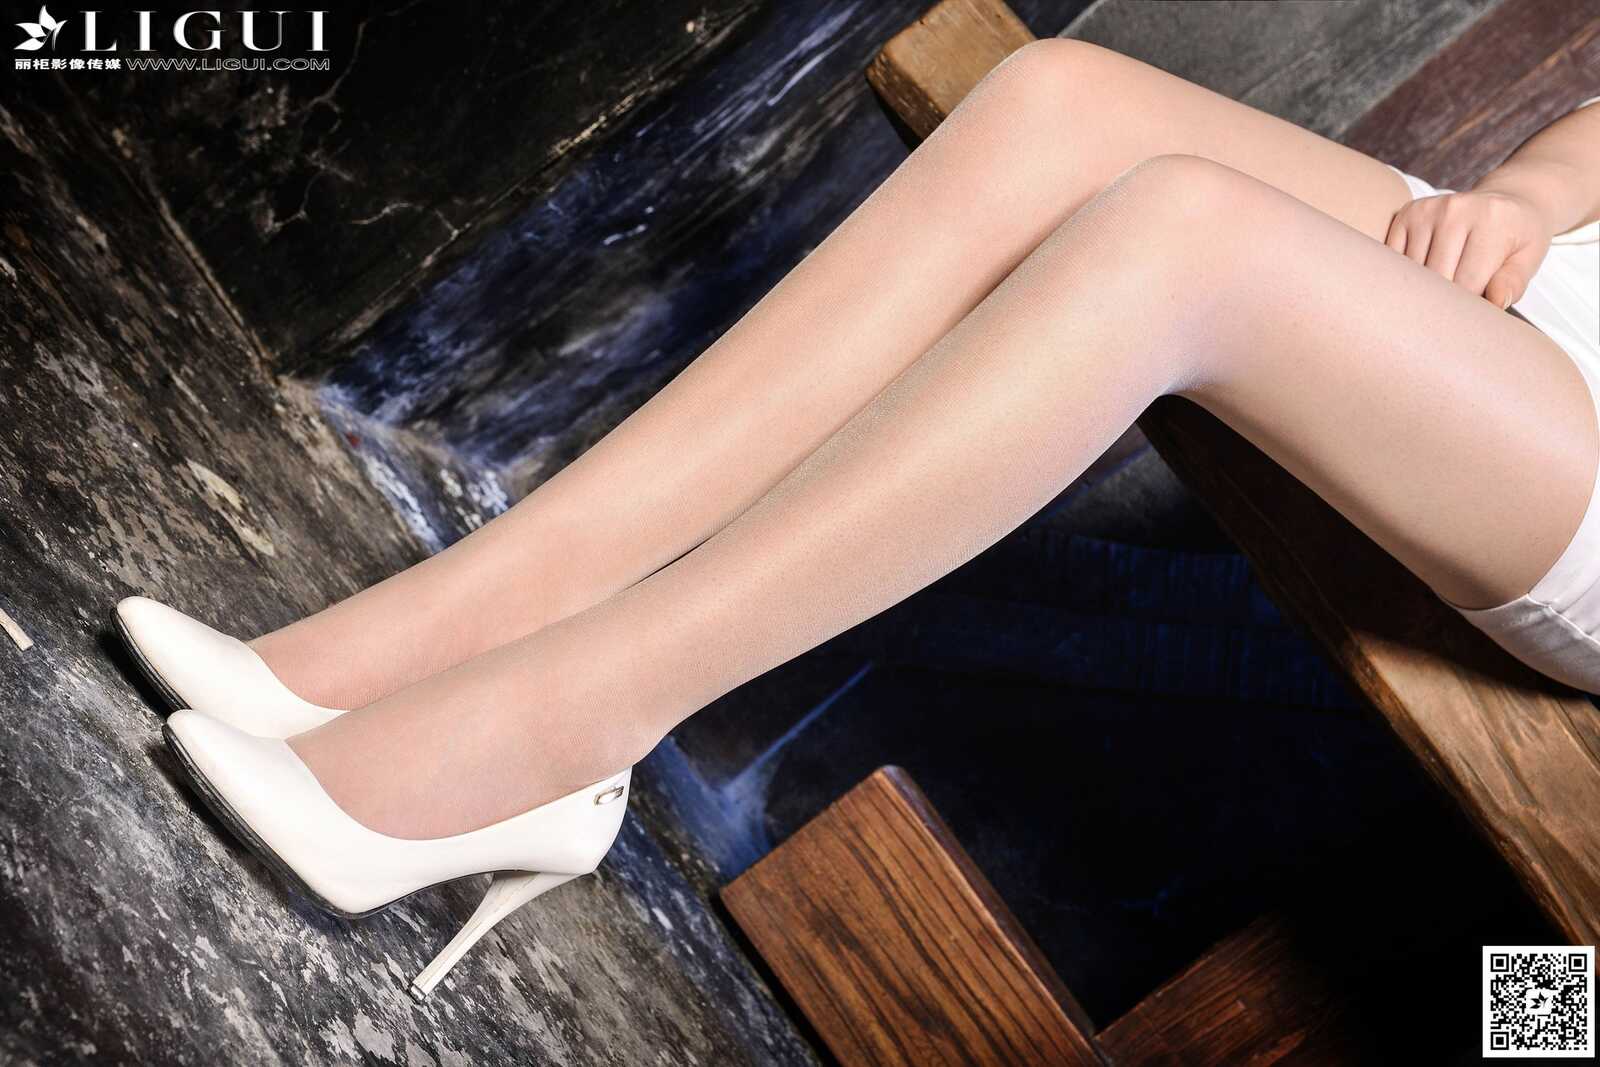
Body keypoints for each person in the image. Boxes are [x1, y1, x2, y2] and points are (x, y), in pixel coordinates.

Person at [116, 39, 1600, 996]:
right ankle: (496, 605)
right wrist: (1532, 192)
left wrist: (1548, 1017)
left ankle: (560, 729)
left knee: (1187, 242)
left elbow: (1549, 1012)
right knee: (1061, 104)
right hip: (1562, 295)